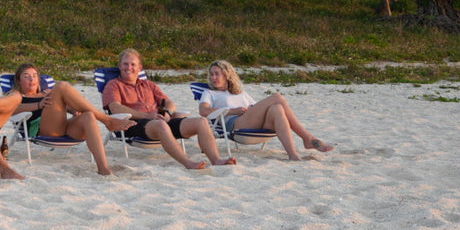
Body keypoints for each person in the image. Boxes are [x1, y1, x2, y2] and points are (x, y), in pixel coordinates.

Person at [100, 48, 235, 169]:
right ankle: (187, 163)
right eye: (125, 64)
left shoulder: (149, 85)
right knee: (161, 124)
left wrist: (167, 113)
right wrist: (148, 116)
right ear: (119, 66)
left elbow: (169, 102)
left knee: (201, 122)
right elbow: (115, 108)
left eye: (133, 64)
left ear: (140, 67)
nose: (129, 67)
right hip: (132, 124)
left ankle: (216, 160)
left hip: (159, 120)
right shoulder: (113, 85)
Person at [11, 63, 134, 176]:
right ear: (19, 80)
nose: (31, 79)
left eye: (34, 75)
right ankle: (107, 120)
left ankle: (103, 167)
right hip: (41, 129)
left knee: (88, 116)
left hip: (62, 125)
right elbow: (11, 109)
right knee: (61, 86)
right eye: (26, 76)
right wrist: (38, 105)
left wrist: (74, 111)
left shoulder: (47, 92)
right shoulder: (16, 95)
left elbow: (65, 106)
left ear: (38, 79)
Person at [199, 60, 336, 161]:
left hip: (252, 122)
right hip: (235, 125)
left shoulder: (240, 93)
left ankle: (293, 154)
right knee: (277, 97)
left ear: (227, 75)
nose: (213, 78)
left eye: (217, 74)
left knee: (277, 108)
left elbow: (256, 107)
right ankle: (308, 138)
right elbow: (203, 111)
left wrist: (251, 110)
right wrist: (232, 111)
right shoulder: (210, 93)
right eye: (211, 74)